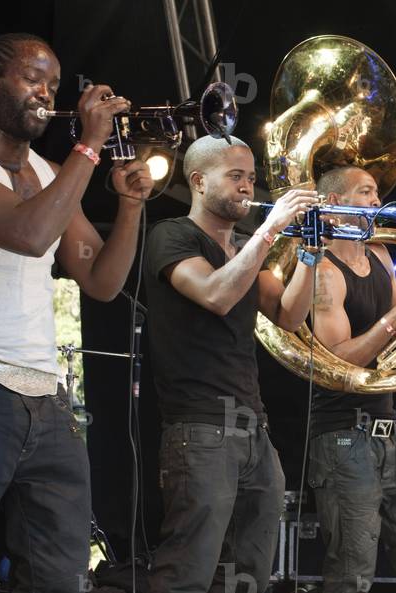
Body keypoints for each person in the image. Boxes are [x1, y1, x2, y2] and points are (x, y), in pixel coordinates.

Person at [0, 33, 151, 592]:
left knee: (61, 575)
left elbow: (102, 281)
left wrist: (128, 207)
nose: (45, 93)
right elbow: (28, 235)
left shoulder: (52, 174)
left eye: (53, 84)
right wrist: (90, 148)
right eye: (33, 79)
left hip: (45, 398)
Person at [144, 134, 320, 592]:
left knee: (248, 572)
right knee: (189, 568)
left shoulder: (242, 248)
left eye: (252, 178)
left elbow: (288, 314)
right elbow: (216, 295)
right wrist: (270, 231)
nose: (248, 187)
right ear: (199, 181)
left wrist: (310, 254)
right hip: (199, 427)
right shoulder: (172, 235)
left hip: (252, 428)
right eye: (236, 176)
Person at [307, 165, 396, 593]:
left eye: (376, 193)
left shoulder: (381, 256)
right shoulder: (323, 271)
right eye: (366, 192)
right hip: (342, 437)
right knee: (352, 574)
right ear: (333, 205)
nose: (377, 202)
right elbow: (339, 362)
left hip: (391, 433)